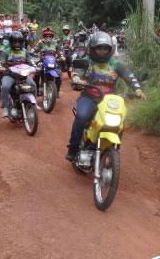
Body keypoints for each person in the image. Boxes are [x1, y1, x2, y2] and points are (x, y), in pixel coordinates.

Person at [65, 32, 145, 161]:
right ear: (93, 48)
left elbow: (129, 76)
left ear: (110, 49)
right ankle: (73, 148)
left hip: (109, 100)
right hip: (89, 97)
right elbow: (77, 72)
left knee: (120, 121)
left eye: (105, 48)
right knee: (81, 116)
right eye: (99, 48)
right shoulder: (87, 61)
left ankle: (113, 149)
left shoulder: (116, 64)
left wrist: (137, 89)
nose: (102, 51)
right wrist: (76, 78)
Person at [0, 31, 36, 118]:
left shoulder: (25, 51)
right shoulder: (6, 51)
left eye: (19, 41)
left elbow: (30, 61)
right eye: (15, 41)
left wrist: (35, 66)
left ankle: (33, 104)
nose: (17, 43)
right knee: (5, 87)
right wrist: (0, 66)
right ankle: (5, 107)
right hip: (9, 74)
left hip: (22, 75)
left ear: (22, 42)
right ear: (11, 42)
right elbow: (1, 62)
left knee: (33, 85)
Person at [33, 27, 61, 95]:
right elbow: (34, 50)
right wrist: (34, 54)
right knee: (37, 72)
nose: (48, 37)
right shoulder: (40, 43)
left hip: (53, 61)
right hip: (42, 60)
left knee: (59, 74)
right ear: (44, 36)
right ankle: (37, 90)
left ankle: (56, 91)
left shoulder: (55, 43)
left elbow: (60, 52)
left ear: (52, 36)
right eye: (46, 35)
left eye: (50, 35)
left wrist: (61, 57)